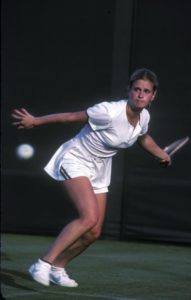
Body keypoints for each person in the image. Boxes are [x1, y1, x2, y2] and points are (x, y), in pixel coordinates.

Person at [12, 68, 171, 288]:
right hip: (76, 159)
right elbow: (70, 117)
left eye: (146, 91)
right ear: (129, 90)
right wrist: (36, 121)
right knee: (88, 217)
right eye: (136, 89)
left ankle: (58, 267)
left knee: (93, 232)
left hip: (99, 170)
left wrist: (160, 153)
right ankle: (42, 263)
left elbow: (143, 138)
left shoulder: (144, 117)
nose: (140, 95)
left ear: (153, 96)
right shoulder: (108, 111)